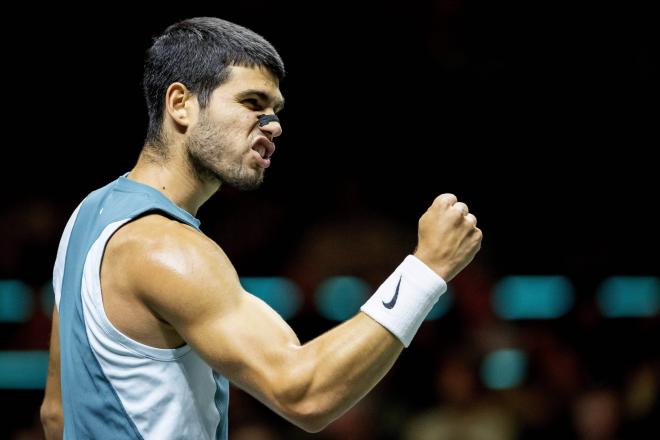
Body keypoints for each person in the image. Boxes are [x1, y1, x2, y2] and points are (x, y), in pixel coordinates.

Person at [39, 16, 482, 439]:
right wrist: (427, 269)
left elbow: (56, 414)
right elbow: (304, 392)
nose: (274, 125)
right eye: (252, 103)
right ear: (180, 104)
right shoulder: (165, 247)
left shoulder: (89, 215)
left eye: (276, 109)